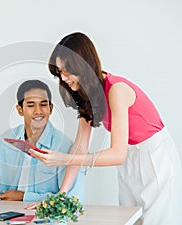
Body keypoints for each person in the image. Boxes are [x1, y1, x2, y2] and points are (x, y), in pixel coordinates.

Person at [29, 32, 182, 225]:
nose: (64, 77)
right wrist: (61, 195)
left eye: (67, 70)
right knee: (130, 219)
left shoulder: (116, 90)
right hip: (130, 159)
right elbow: (80, 147)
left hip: (154, 157)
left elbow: (117, 154)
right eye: (59, 72)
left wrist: (63, 158)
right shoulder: (86, 96)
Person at [0, 79, 84, 206]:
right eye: (31, 105)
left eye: (43, 104)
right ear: (20, 110)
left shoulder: (65, 148)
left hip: (44, 216)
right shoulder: (6, 141)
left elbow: (71, 200)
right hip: (6, 213)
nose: (38, 111)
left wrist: (23, 196)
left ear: (51, 108)